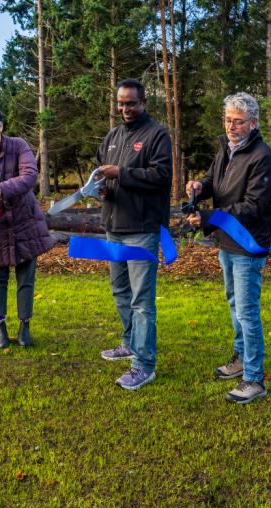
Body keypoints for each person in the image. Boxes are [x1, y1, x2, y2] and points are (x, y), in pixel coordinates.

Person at [185, 92, 271, 404]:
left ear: (253, 123)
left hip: (248, 244)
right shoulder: (226, 150)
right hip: (226, 241)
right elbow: (213, 182)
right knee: (234, 303)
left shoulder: (262, 156)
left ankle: (255, 378)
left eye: (238, 122)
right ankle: (240, 359)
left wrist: (209, 217)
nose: (231, 126)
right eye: (228, 120)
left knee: (248, 311)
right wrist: (199, 185)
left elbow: (253, 206)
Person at [95, 78, 173, 390]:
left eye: (131, 103)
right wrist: (101, 189)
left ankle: (144, 364)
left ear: (143, 103)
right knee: (120, 292)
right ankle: (129, 343)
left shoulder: (157, 135)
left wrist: (121, 174)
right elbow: (101, 170)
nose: (125, 109)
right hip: (113, 227)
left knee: (142, 301)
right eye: (121, 103)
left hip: (141, 230)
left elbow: (162, 176)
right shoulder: (112, 136)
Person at [0, 105, 55, 349]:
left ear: (0, 126)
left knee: (26, 277)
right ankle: (0, 327)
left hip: (25, 221)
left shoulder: (19, 145)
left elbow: (29, 176)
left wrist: (2, 188)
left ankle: (25, 326)